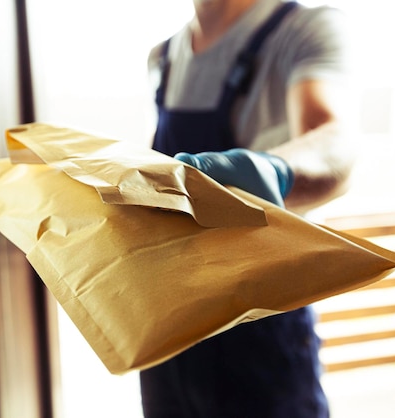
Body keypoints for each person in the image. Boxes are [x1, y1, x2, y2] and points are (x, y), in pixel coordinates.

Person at [140, 0, 357, 417]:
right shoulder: (163, 57)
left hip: (260, 334)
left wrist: (277, 170)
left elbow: (334, 138)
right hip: (167, 335)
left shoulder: (303, 30)